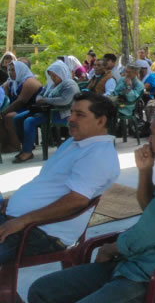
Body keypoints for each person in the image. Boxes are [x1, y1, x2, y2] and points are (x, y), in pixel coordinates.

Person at [28, 102, 155, 303]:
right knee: (41, 290)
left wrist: (112, 248)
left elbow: (150, 233)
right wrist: (145, 171)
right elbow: (150, 211)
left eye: (153, 133)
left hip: (151, 276)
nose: (150, 139)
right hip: (135, 263)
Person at [0, 93, 119, 265]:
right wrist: (15, 201)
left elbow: (76, 201)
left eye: (80, 114)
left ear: (101, 121)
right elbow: (48, 182)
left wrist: (22, 220)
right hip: (19, 220)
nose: (70, 118)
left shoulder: (98, 155)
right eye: (71, 112)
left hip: (40, 232)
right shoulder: (75, 143)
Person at [12, 61, 80, 163]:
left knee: (29, 121)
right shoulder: (51, 84)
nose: (53, 78)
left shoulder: (69, 84)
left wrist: (46, 100)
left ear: (61, 73)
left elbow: (65, 100)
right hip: (45, 110)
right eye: (51, 75)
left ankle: (27, 152)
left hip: (60, 113)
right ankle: (27, 146)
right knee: (17, 118)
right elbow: (40, 95)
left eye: (55, 75)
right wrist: (41, 99)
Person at [0, 60, 43, 153]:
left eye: (13, 70)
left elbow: (21, 102)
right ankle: (6, 145)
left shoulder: (30, 82)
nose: (10, 72)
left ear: (20, 70)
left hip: (32, 109)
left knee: (9, 117)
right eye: (9, 70)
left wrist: (3, 113)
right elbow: (5, 99)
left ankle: (16, 146)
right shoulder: (11, 83)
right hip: (18, 109)